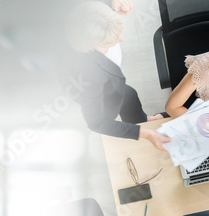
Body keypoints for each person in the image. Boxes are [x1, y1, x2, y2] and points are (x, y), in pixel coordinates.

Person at [65, 1, 170, 151]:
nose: (121, 40)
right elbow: (97, 122)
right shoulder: (89, 78)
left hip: (109, 76)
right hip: (100, 87)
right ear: (92, 44)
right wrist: (143, 133)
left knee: (129, 95)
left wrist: (110, 4)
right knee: (123, 97)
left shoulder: (77, 14)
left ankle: (143, 119)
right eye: (111, 41)